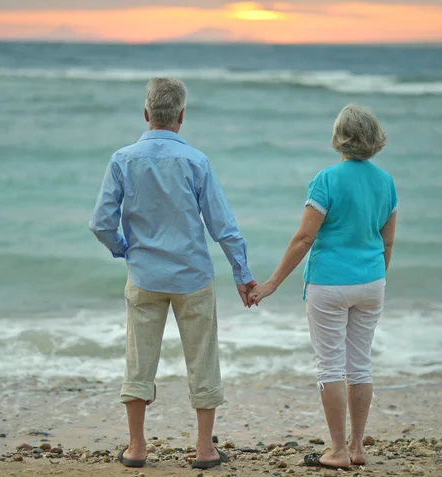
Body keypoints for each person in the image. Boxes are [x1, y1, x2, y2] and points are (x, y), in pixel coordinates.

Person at [89, 78, 256, 470]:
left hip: (145, 276)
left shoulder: (122, 159)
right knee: (202, 360)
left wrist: (124, 249)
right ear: (181, 116)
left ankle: (136, 448)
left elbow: (100, 222)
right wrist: (242, 274)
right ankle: (203, 449)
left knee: (138, 360)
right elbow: (223, 226)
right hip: (193, 276)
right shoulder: (196, 161)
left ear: (146, 114)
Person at [248, 104, 397, 471]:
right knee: (360, 365)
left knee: (330, 366)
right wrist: (376, 277)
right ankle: (357, 447)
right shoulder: (386, 182)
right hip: (372, 281)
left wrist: (270, 284)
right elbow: (387, 242)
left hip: (330, 283)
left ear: (339, 138)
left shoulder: (326, 180)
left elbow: (303, 238)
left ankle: (337, 451)